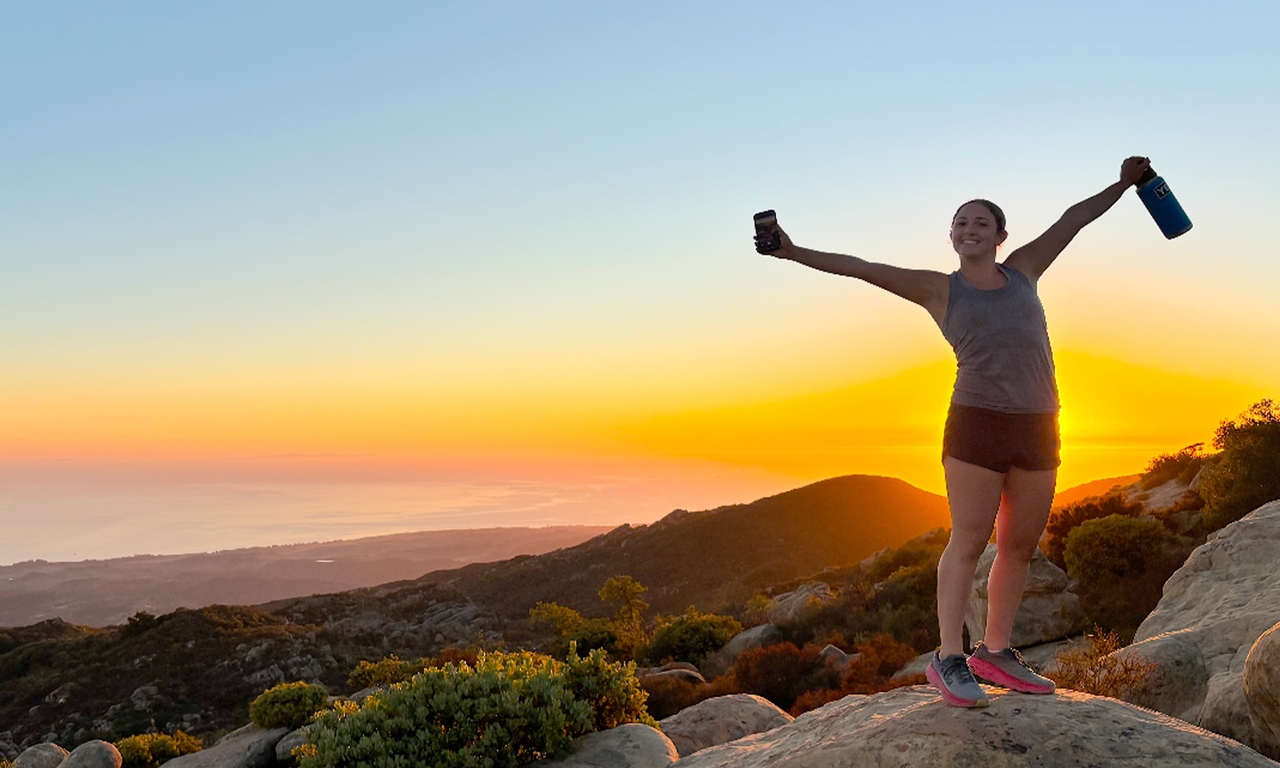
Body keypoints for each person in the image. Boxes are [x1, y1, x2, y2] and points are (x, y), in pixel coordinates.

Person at [753, 156, 1152, 707]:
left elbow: (1072, 219)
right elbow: (859, 266)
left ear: (1000, 235)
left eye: (980, 222)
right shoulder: (939, 290)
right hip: (976, 425)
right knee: (967, 541)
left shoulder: (1025, 270)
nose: (969, 229)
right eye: (960, 223)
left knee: (1017, 546)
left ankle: (995, 652)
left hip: (1040, 425)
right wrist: (791, 251)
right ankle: (948, 658)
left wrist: (1125, 184)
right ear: (952, 237)